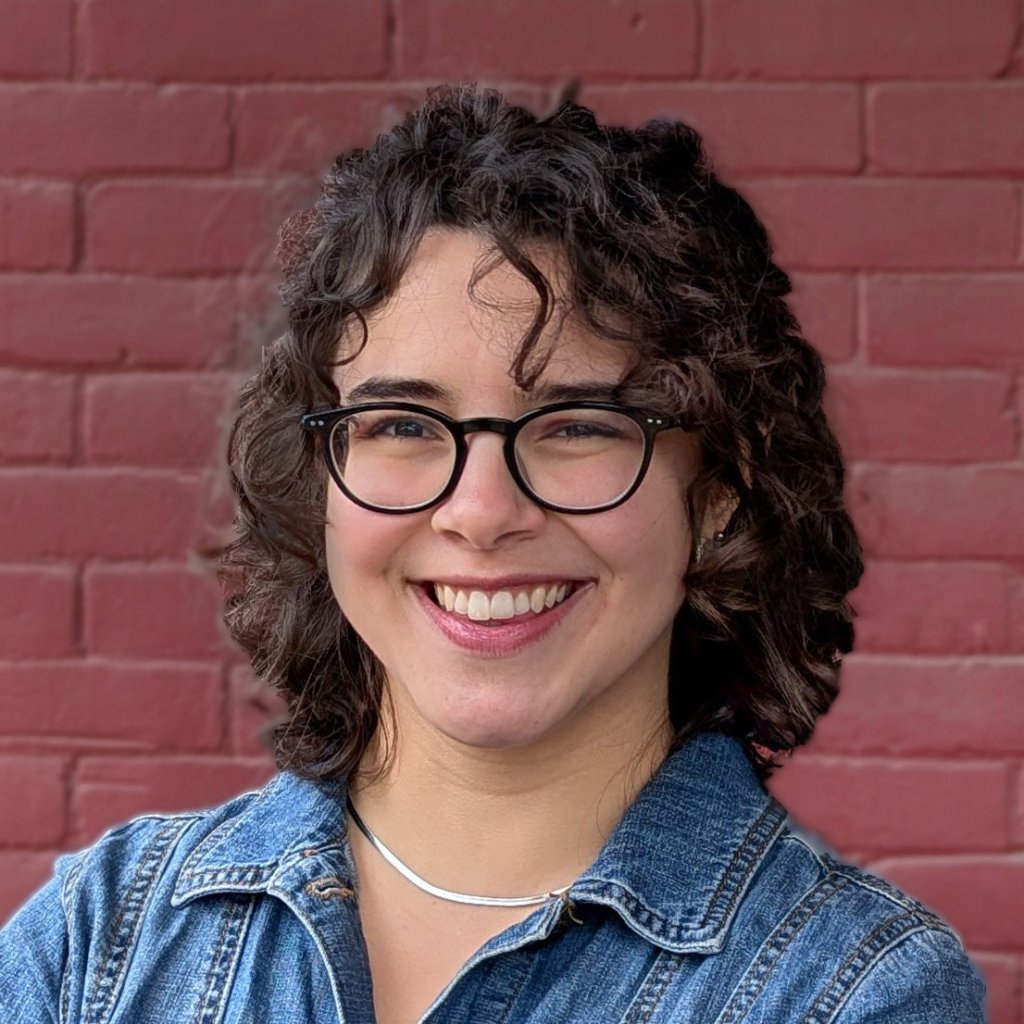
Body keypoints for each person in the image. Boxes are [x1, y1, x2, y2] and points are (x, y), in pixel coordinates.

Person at [0, 82, 987, 1023]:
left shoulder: (852, 992)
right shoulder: (104, 938)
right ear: (322, 484)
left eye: (576, 427)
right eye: (400, 425)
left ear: (717, 494)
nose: (480, 512)